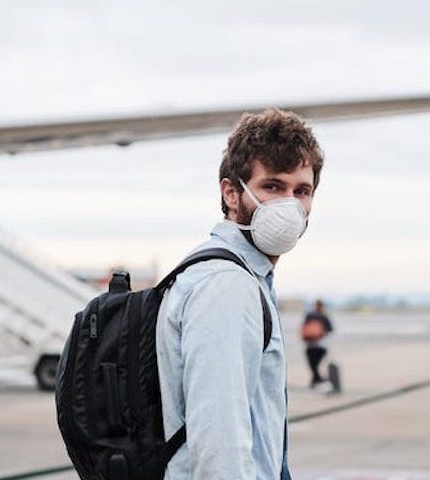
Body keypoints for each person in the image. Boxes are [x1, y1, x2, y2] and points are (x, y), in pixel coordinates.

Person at [156, 108, 323, 480]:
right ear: (232, 193)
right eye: (273, 187)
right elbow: (220, 445)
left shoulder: (239, 277)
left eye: (302, 191)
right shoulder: (226, 285)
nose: (289, 206)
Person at [303, 299, 334, 391]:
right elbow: (330, 329)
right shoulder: (324, 316)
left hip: (310, 345)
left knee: (313, 366)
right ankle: (318, 381)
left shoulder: (309, 315)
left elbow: (304, 326)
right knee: (315, 366)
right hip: (322, 345)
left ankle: (317, 381)